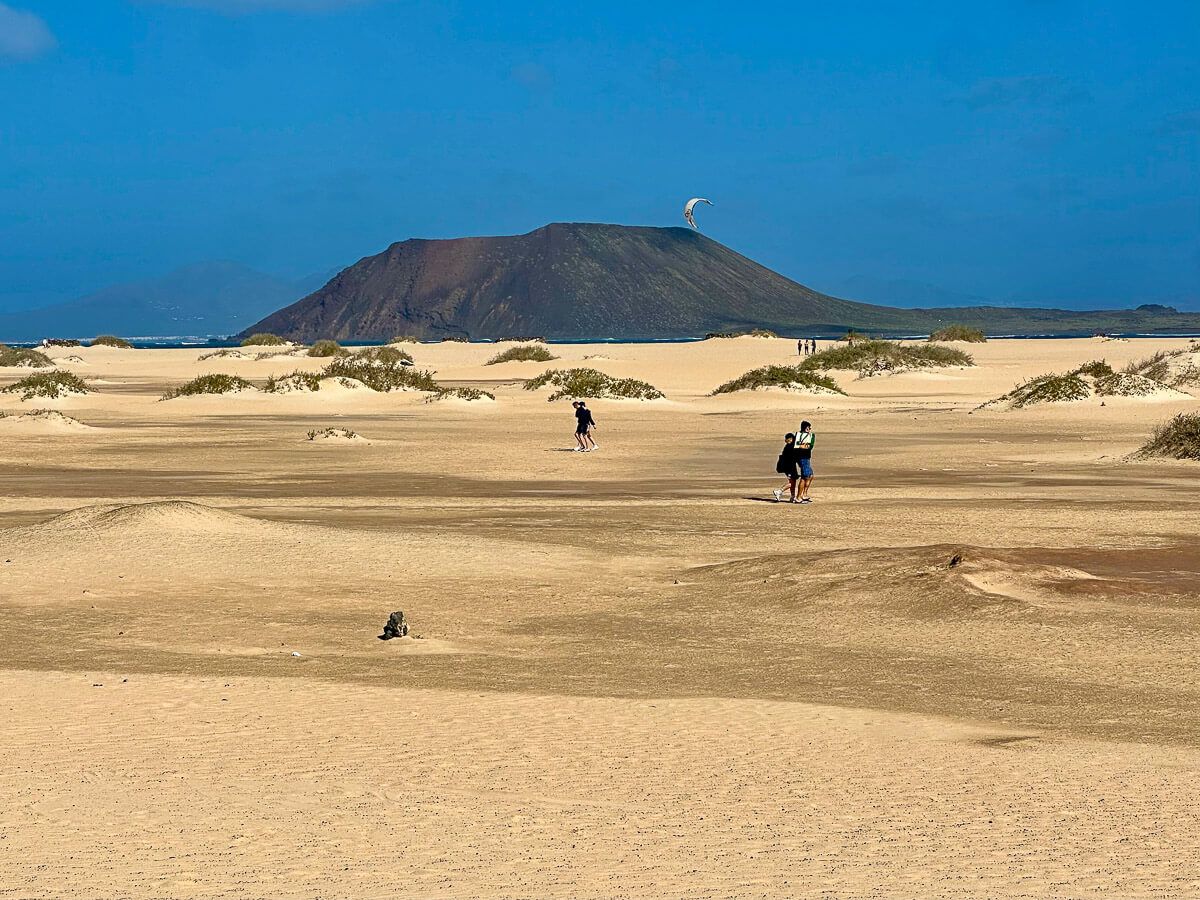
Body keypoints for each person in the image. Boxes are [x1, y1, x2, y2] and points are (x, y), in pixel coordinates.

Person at [773, 433, 801, 503]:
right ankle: (779, 491)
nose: (786, 440)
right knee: (792, 482)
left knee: (793, 481)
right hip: (789, 467)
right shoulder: (790, 446)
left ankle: (792, 496)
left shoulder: (790, 446)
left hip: (790, 466)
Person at [795, 420, 815, 502]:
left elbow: (810, 446)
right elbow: (797, 445)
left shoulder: (811, 435)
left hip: (807, 457)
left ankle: (804, 494)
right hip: (802, 458)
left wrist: (802, 445)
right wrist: (804, 445)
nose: (809, 429)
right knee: (804, 477)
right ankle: (798, 497)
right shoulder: (798, 435)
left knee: (810, 475)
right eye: (808, 428)